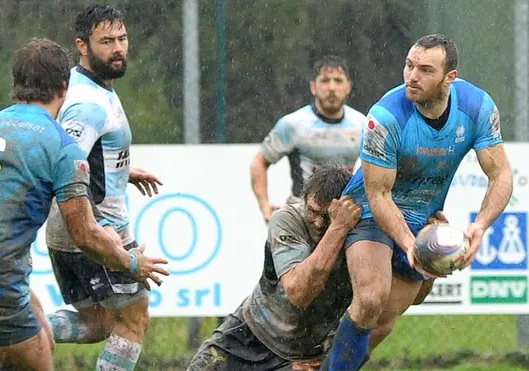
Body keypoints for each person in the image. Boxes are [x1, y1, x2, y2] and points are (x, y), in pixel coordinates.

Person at [0, 38, 168, 371]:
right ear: (64, 88)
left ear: (16, 85)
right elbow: (85, 236)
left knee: (39, 342)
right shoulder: (63, 149)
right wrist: (132, 265)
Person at [321, 34, 514, 371]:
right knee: (370, 300)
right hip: (369, 212)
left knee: (383, 321)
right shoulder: (384, 116)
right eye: (409, 65)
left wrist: (480, 227)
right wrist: (410, 243)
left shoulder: (477, 107)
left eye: (425, 70)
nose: (412, 76)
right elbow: (379, 194)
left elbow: (501, 176)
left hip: (423, 219)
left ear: (449, 78)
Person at [43, 4, 163, 371]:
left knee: (99, 323)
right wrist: (100, 229)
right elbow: (64, 171)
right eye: (106, 41)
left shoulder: (81, 85)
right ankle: (17, 333)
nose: (118, 49)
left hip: (69, 229)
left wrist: (120, 172)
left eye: (122, 39)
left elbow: (79, 157)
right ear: (82, 45)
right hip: (95, 227)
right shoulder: (88, 104)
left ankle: (22, 332)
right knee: (133, 320)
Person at [188, 164, 361, 371]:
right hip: (249, 335)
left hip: (305, 358)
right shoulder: (288, 219)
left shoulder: (360, 236)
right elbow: (298, 292)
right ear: (304, 199)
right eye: (312, 211)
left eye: (326, 216)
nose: (317, 223)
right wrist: (337, 227)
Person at [250, 55, 366, 223]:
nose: (332, 87)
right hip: (301, 215)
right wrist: (264, 205)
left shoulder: (362, 124)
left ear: (348, 87)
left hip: (343, 215)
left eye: (338, 81)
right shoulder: (293, 124)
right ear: (313, 87)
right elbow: (259, 163)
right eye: (325, 80)